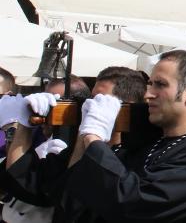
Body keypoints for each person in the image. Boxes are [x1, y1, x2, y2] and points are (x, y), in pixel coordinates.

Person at [63, 50, 186, 222]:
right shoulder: (150, 141)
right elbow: (80, 195)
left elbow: (132, 202)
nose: (148, 94)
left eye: (160, 84)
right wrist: (84, 133)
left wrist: (93, 137)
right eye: (150, 84)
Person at [0, 66, 148, 222]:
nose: (91, 106)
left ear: (127, 106)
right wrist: (22, 122)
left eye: (100, 100)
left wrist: (90, 134)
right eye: (91, 99)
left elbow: (74, 203)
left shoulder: (139, 156)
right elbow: (23, 182)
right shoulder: (72, 147)